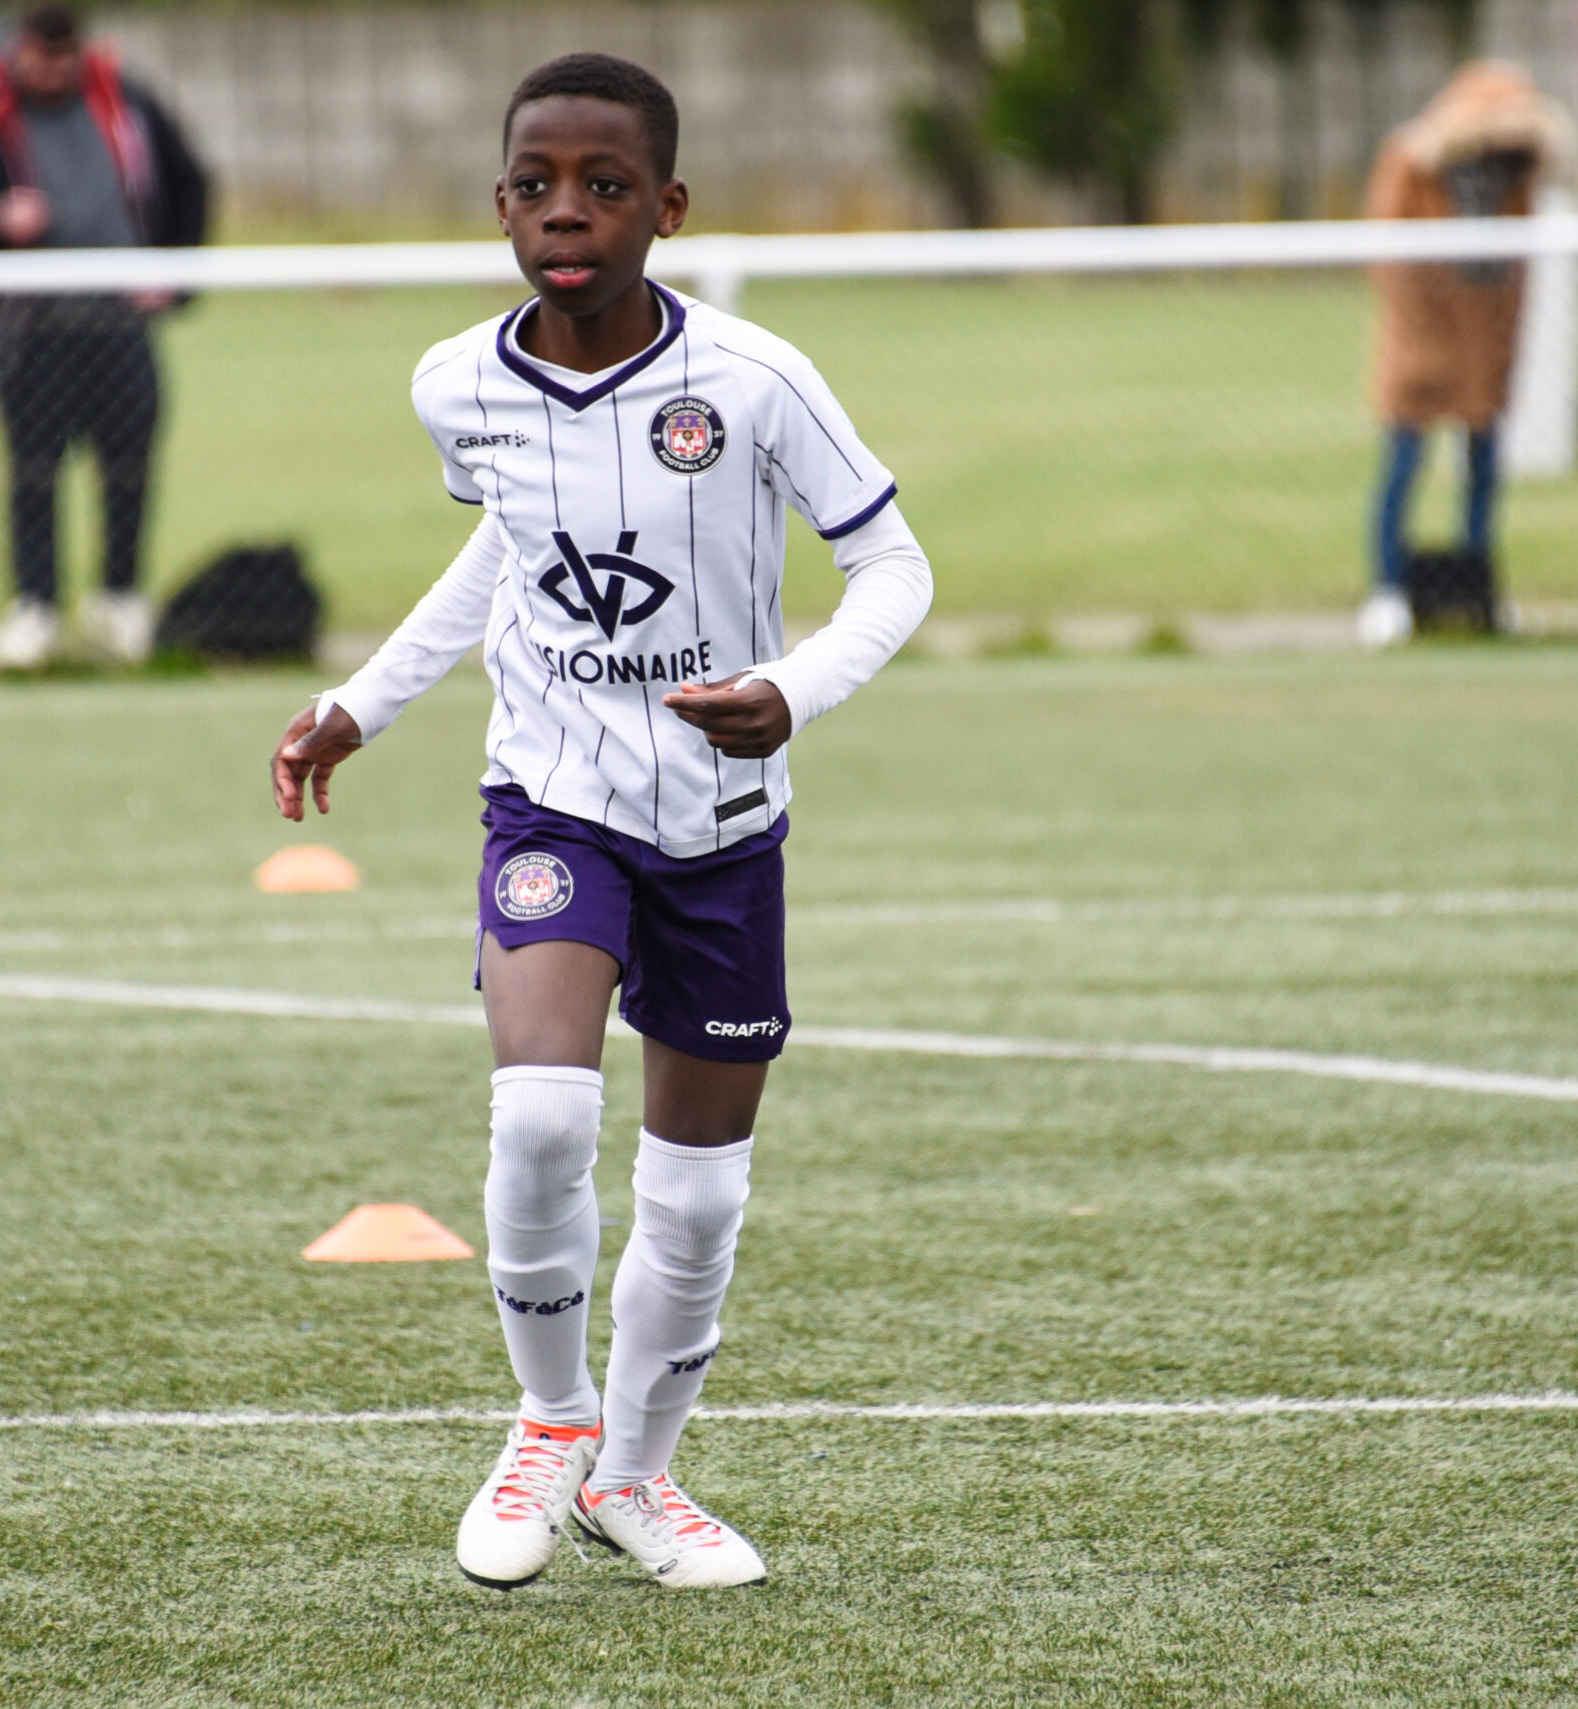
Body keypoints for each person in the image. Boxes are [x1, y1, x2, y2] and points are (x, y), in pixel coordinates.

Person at [269, 54, 932, 1592]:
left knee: (695, 1197)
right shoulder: (458, 383)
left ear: (668, 208)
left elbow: (893, 566)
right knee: (543, 1116)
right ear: (500, 204)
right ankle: (553, 1420)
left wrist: (792, 689)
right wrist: (363, 701)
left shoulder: (754, 381)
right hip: (552, 804)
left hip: (724, 830)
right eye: (536, 185)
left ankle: (635, 1476)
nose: (566, 212)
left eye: (605, 185)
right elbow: (505, 554)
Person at [0, 4, 210, 670]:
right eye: (39, 56)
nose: (52, 70)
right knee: (33, 464)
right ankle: (35, 606)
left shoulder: (127, 100)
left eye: (63, 56)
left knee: (129, 456)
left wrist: (174, 275)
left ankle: (118, 597)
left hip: (118, 318)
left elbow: (189, 181)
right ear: (17, 50)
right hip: (31, 326)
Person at [1355, 63, 1567, 650]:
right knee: (1403, 467)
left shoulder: (1515, 172)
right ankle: (1388, 590)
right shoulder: (1412, 160)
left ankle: (1477, 589)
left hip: (1484, 345)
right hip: (1422, 341)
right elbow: (1386, 253)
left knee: (1484, 473)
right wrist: (1427, 328)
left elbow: (1518, 268)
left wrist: (1500, 343)